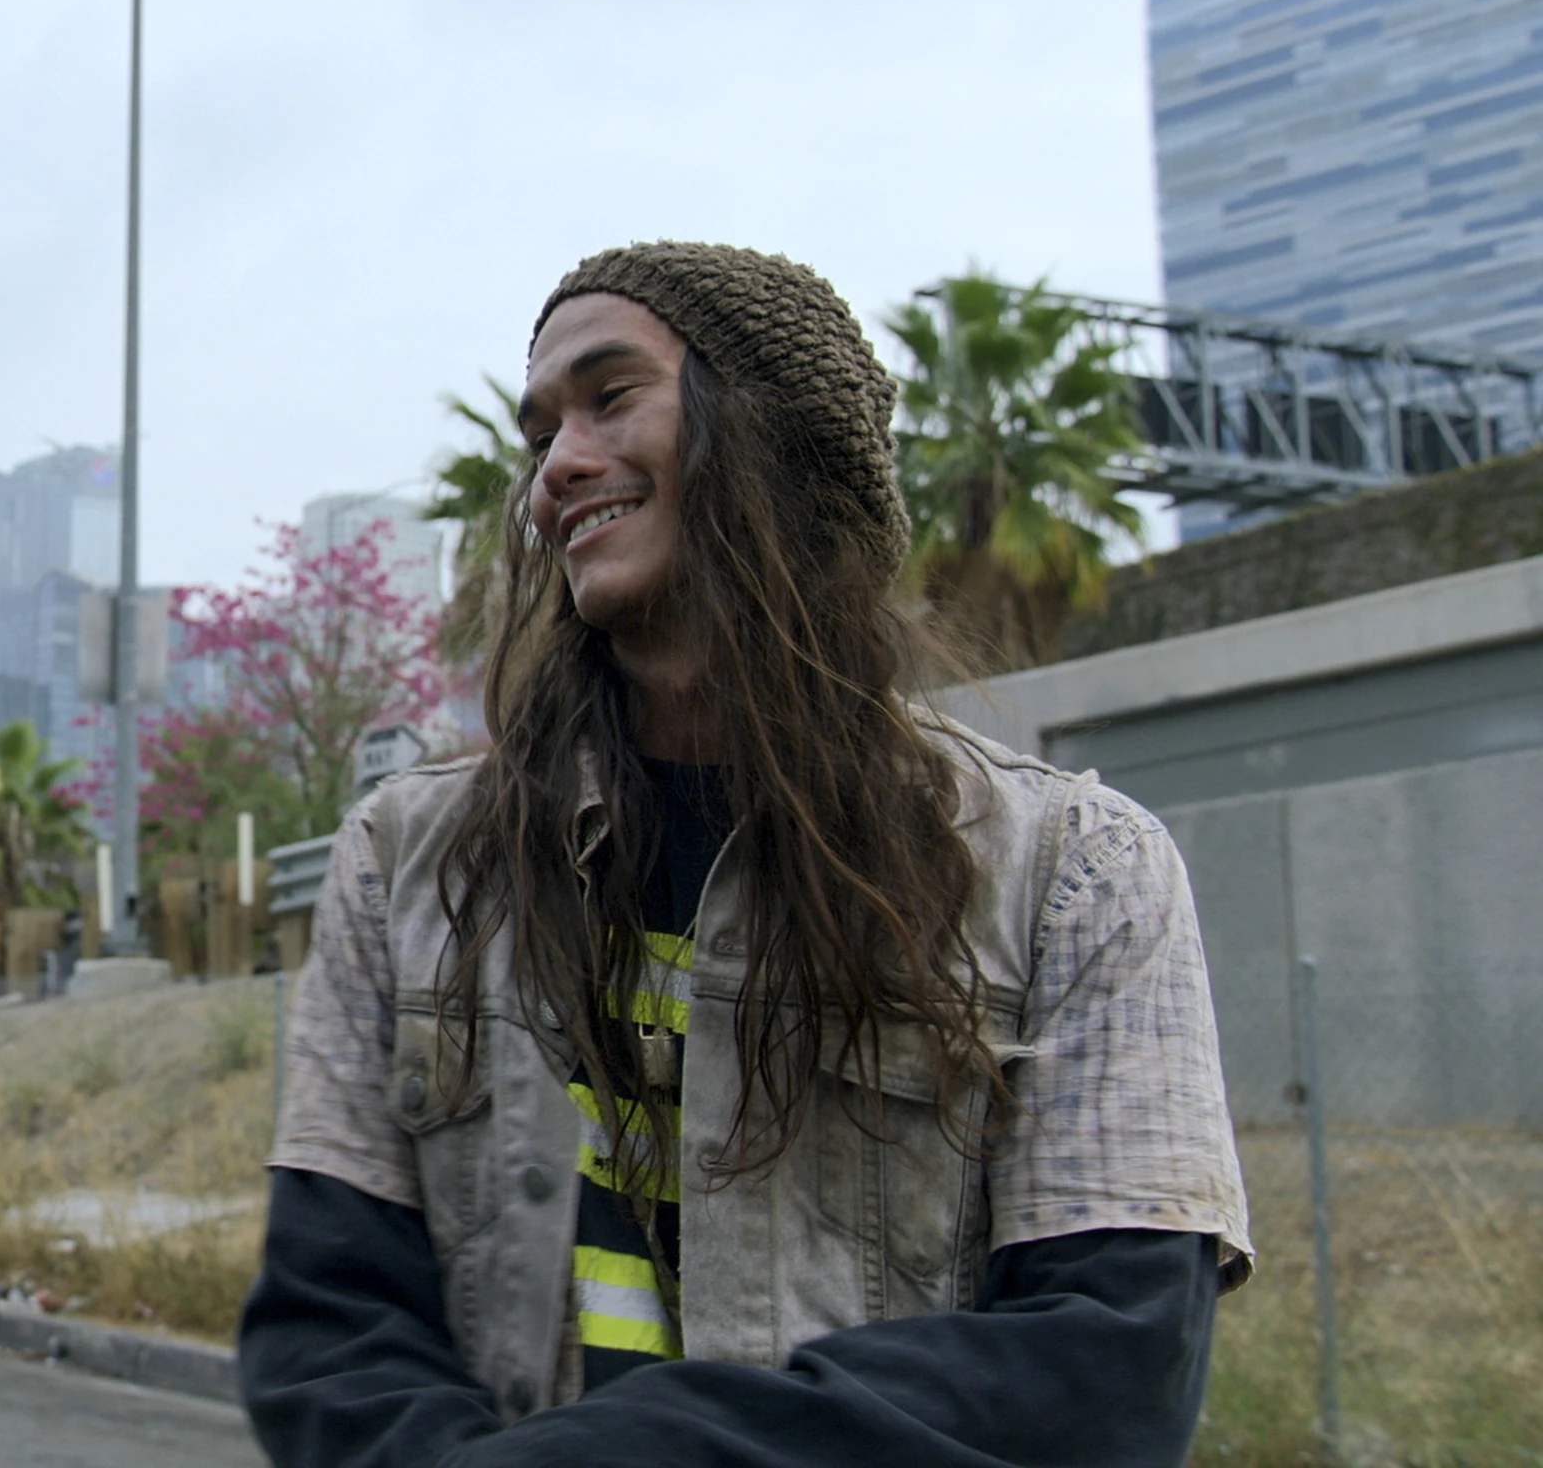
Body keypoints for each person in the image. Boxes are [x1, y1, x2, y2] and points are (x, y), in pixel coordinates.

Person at [241, 242, 1252, 1466]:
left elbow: (1109, 1371)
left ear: (773, 430)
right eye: (541, 433)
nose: (558, 467)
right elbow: (327, 1332)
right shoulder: (405, 862)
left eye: (612, 396)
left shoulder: (1078, 873)